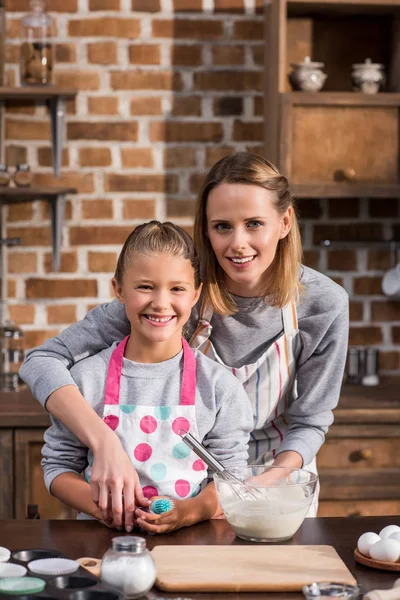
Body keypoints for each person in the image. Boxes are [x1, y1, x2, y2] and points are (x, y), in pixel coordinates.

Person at [20, 152, 349, 529]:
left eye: (254, 224)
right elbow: (41, 362)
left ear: (285, 221)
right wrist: (103, 441)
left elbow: (310, 421)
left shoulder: (323, 304)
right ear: (206, 230)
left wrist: (258, 483)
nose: (238, 243)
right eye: (222, 226)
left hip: (275, 477)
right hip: (191, 489)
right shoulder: (179, 289)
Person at [39, 221, 253, 533]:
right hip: (100, 544)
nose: (161, 302)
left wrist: (190, 511)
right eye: (145, 286)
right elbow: (58, 469)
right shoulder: (85, 379)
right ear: (119, 290)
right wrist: (103, 508)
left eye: (177, 288)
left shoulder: (220, 388)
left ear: (195, 295)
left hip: (192, 547)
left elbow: (232, 479)